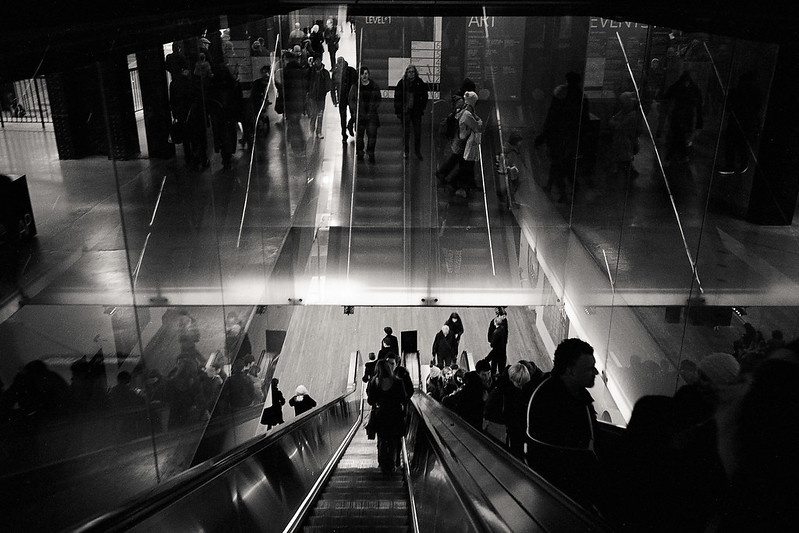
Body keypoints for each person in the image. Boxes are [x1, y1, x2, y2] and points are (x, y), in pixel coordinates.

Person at [526, 338, 602, 509]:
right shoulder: (551, 404)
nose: (596, 372)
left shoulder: (555, 393)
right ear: (570, 371)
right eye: (589, 368)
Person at [535, 72, 590, 202]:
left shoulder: (561, 95)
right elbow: (584, 120)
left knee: (559, 163)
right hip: (571, 137)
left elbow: (552, 117)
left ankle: (564, 191)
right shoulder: (581, 97)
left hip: (558, 137)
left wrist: (544, 135)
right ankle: (559, 187)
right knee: (563, 163)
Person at [366, 359, 408, 474]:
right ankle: (393, 464)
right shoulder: (398, 382)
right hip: (395, 415)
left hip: (381, 415)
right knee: (394, 440)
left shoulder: (374, 382)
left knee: (382, 440)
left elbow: (370, 401)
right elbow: (403, 399)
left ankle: (383, 465)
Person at [718, 71, 762, 174]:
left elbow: (729, 107)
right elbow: (728, 107)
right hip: (743, 122)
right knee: (736, 143)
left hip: (743, 122)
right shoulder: (752, 93)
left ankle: (737, 165)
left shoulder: (739, 92)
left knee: (737, 143)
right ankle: (738, 165)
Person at [664, 70, 703, 163]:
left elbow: (668, 95)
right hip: (684, 115)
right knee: (680, 135)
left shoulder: (679, 86)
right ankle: (680, 155)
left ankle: (674, 155)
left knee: (678, 135)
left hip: (681, 115)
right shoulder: (692, 88)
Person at [393, 64, 429, 160]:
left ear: (415, 73)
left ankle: (417, 151)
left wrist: (422, 108)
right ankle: (406, 151)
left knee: (417, 133)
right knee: (406, 133)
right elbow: (397, 98)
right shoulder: (402, 83)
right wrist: (398, 111)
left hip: (416, 112)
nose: (411, 74)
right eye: (409, 72)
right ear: (406, 73)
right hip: (405, 111)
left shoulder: (420, 83)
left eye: (413, 72)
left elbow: (425, 96)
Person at [453, 91, 483, 198]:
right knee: (466, 166)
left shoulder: (465, 111)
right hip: (465, 143)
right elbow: (477, 126)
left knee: (467, 166)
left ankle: (468, 186)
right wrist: (479, 122)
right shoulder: (467, 114)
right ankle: (462, 188)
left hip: (463, 142)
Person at [349, 66, 382, 162]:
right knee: (359, 137)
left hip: (371, 115)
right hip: (360, 115)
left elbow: (378, 99)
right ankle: (360, 153)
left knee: (372, 136)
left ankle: (371, 153)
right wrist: (355, 110)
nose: (364, 75)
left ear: (369, 74)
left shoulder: (374, 86)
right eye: (362, 73)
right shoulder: (355, 87)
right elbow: (351, 100)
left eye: (366, 73)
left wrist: (373, 108)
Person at [608, 91, 641, 185]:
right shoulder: (624, 112)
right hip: (621, 140)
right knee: (622, 159)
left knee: (624, 159)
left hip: (625, 141)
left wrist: (615, 123)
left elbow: (619, 126)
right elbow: (612, 121)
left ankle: (629, 175)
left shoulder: (632, 115)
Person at [331, 57, 357, 143]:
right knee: (343, 117)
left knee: (354, 114)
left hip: (350, 97)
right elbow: (332, 87)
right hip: (342, 98)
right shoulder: (336, 73)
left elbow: (355, 83)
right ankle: (344, 134)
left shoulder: (350, 71)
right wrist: (334, 99)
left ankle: (349, 126)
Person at [307, 56, 331, 139]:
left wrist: (324, 91)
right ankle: (312, 130)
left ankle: (319, 131)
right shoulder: (311, 71)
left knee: (320, 115)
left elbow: (328, 84)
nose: (318, 62)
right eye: (316, 60)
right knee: (314, 114)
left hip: (321, 97)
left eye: (319, 60)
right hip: (312, 97)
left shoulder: (325, 73)